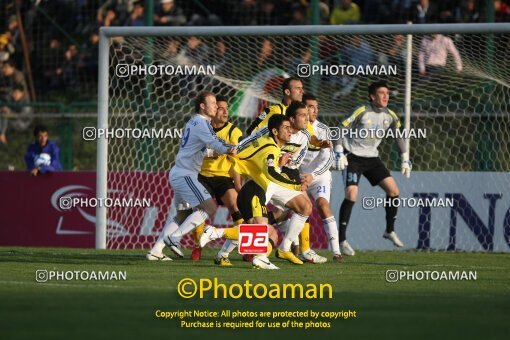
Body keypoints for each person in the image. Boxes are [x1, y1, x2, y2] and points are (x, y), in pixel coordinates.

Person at [200, 114, 313, 267]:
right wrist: (295, 184)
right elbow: (271, 174)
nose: (290, 131)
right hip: (255, 190)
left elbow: (257, 160)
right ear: (274, 131)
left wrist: (280, 163)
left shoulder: (269, 143)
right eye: (286, 128)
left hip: (261, 187)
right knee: (260, 231)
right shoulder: (270, 148)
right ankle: (216, 233)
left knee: (301, 209)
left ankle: (257, 254)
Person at [146, 91, 236, 261]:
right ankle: (175, 237)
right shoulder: (202, 123)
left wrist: (211, 153)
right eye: (212, 103)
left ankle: (156, 251)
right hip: (186, 175)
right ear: (202, 106)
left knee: (182, 214)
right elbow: (215, 142)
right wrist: (228, 148)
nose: (216, 106)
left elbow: (196, 147)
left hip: (179, 172)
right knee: (209, 208)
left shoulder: (195, 122)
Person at [332, 81, 411, 255]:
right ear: (372, 96)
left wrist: (405, 158)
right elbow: (341, 127)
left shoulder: (391, 115)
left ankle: (389, 230)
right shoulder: (362, 111)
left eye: (387, 93)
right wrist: (338, 150)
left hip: (372, 158)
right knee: (352, 194)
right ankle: (341, 240)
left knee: (393, 191)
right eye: (381, 93)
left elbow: (399, 136)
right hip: (352, 157)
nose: (385, 96)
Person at [191, 95, 244, 264]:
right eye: (220, 108)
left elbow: (235, 159)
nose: (225, 111)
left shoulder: (234, 131)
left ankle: (246, 249)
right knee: (200, 210)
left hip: (224, 176)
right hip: (203, 175)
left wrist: (238, 183)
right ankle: (198, 245)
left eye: (226, 108)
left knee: (236, 205)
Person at [300, 94, 343, 262]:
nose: (315, 110)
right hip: (300, 176)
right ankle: (297, 249)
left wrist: (312, 175)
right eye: (311, 106)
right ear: (303, 109)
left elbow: (328, 160)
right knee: (296, 210)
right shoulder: (294, 128)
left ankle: (337, 253)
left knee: (323, 205)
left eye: (316, 107)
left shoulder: (323, 130)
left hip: (319, 176)